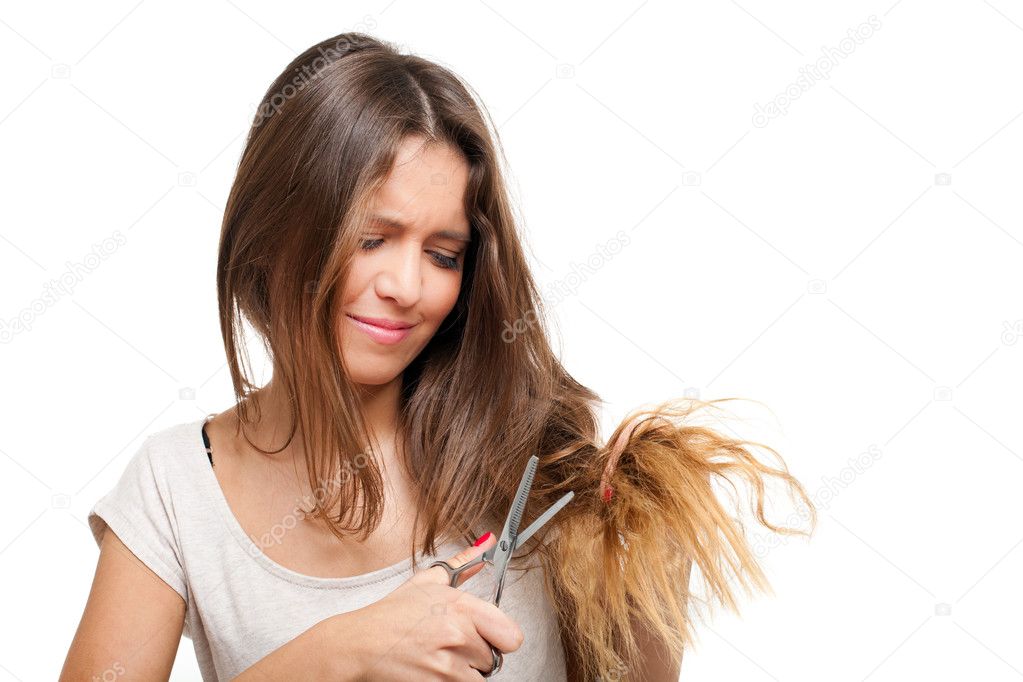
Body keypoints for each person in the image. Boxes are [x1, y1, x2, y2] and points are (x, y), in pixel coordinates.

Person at [61, 32, 817, 681]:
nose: (407, 288)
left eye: (444, 254)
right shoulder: (174, 491)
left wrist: (650, 576)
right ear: (279, 230)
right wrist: (341, 650)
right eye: (370, 239)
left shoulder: (535, 456)